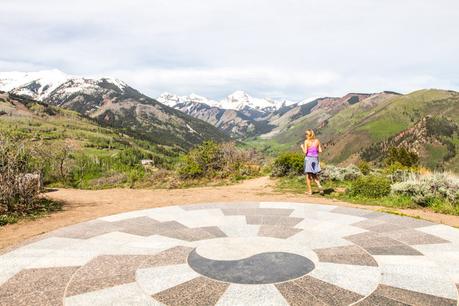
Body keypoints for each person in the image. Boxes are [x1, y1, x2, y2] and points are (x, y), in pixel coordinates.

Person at [301, 129, 324, 195]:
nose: (305, 135)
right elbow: (320, 150)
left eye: (306, 134)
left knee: (308, 176)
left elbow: (305, 152)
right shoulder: (317, 141)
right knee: (314, 174)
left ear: (308, 135)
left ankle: (310, 191)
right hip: (315, 159)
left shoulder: (306, 141)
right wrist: (314, 150)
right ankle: (319, 185)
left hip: (309, 159)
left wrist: (302, 147)